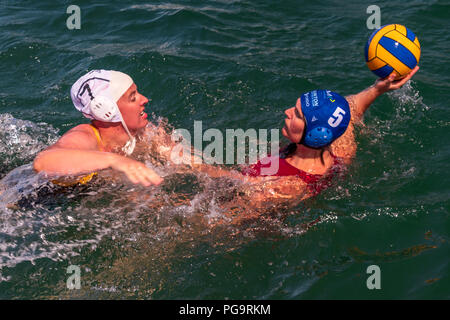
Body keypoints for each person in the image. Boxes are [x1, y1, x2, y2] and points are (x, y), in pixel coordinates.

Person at [183, 67, 420, 207]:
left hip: (248, 217)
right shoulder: (340, 147)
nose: (287, 112)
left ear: (315, 134)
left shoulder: (290, 185)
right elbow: (351, 108)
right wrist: (379, 88)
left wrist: (186, 161)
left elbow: (231, 183)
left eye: (296, 114)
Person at [33, 70, 163, 187]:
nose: (145, 99)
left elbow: (178, 163)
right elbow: (42, 162)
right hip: (33, 199)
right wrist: (114, 160)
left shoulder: (145, 134)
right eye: (133, 98)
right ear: (107, 110)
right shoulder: (84, 136)